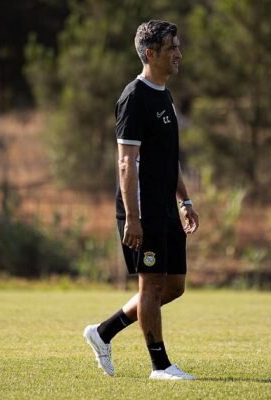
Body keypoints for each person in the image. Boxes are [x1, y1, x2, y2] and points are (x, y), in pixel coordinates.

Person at [83, 20, 199, 380]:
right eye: (171, 48)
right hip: (142, 210)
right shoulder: (134, 97)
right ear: (150, 53)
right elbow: (126, 162)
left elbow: (168, 158)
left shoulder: (165, 94)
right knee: (150, 286)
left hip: (166, 207)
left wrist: (184, 201)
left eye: (177, 46)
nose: (178, 53)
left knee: (174, 286)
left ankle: (103, 333)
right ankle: (160, 366)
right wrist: (133, 218)